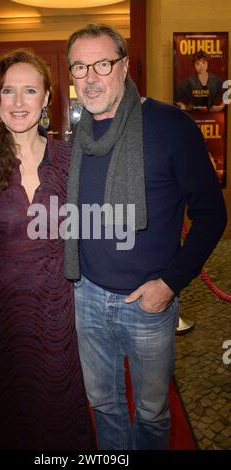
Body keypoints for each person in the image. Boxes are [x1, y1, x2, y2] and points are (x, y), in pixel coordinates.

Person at [64, 24, 227, 450]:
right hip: (87, 296)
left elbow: (212, 215)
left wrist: (170, 284)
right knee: (103, 403)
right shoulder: (75, 135)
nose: (91, 77)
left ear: (124, 67)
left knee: (152, 411)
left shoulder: (171, 125)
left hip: (148, 302)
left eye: (102, 63)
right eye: (80, 67)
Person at [0, 48, 94, 450]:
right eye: (8, 90)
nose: (18, 102)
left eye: (30, 90)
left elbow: (93, 230)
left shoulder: (70, 159)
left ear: (47, 98)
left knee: (57, 408)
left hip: (56, 310)